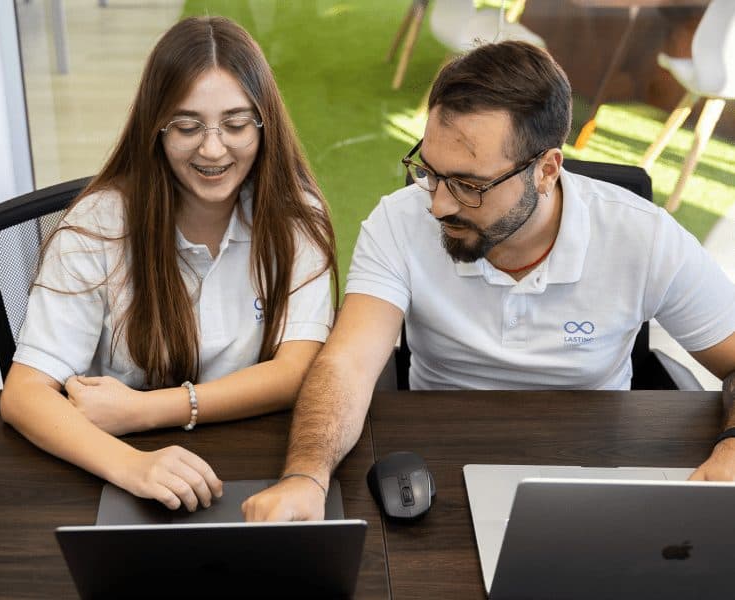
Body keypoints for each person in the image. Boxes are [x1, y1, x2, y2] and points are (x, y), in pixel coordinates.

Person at [242, 40, 735, 521]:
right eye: (430, 172)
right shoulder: (401, 220)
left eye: (469, 186)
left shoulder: (641, 236)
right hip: (439, 471)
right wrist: (305, 476)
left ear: (546, 169)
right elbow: (345, 364)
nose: (438, 204)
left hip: (597, 469)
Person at [0, 16, 338, 512]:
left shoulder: (294, 217)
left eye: (237, 124)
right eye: (187, 126)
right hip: (118, 470)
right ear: (155, 127)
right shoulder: (98, 225)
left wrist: (142, 411)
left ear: (264, 123)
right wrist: (132, 464)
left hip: (254, 465)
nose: (214, 148)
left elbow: (297, 371)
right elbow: (24, 394)